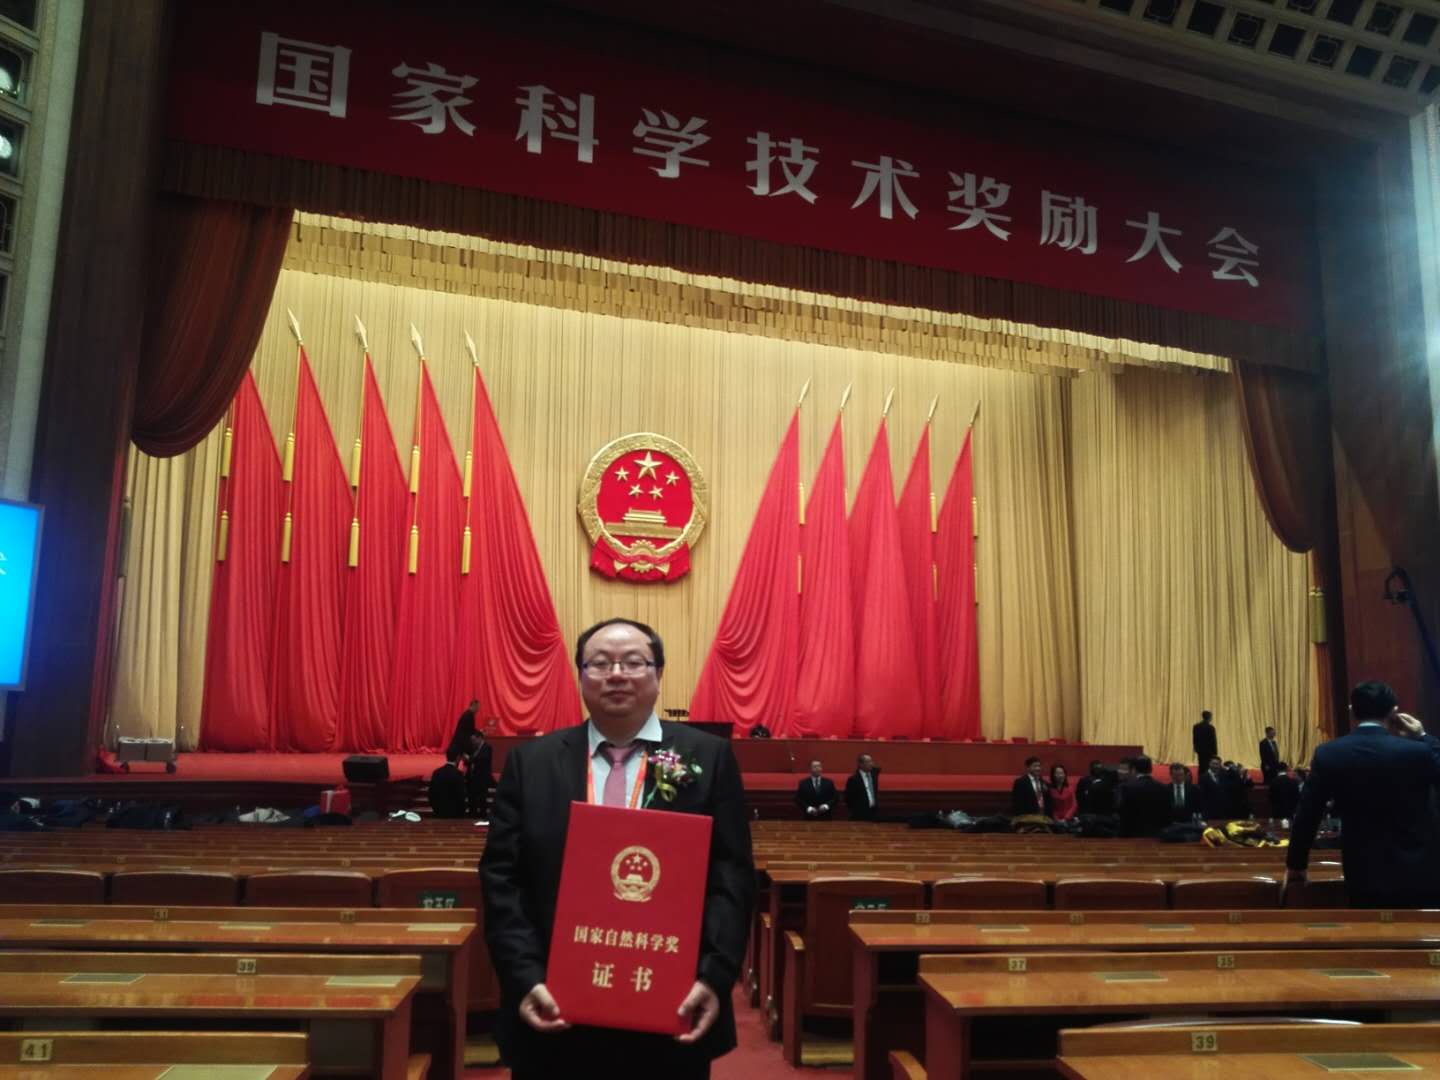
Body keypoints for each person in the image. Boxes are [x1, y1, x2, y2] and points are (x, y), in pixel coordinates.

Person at [478, 618, 754, 1079]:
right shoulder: (532, 763)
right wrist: (525, 977)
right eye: (600, 663)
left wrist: (714, 976)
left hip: (672, 1007)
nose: (617, 674)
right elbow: (502, 878)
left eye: (633, 662)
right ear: (580, 675)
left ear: (658, 673)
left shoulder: (709, 757)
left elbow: (732, 876)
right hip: (554, 1008)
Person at [1286, 681, 1440, 909]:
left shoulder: (1329, 754)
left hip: (1363, 870)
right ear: (1394, 712)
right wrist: (1423, 736)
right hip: (1420, 868)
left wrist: (1297, 863)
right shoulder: (1418, 751)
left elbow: (1308, 814)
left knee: (1370, 926)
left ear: (1352, 711)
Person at [1115, 755, 1171, 837]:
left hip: (1133, 835)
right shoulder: (1163, 788)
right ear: (1151, 769)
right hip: (1157, 835)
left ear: (1134, 769)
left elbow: (1124, 814)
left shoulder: (1127, 788)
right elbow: (1168, 814)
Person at [463, 720, 495, 818]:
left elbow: (483, 759)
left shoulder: (487, 747)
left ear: (480, 738)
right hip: (472, 778)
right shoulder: (473, 748)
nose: (472, 742)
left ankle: (482, 817)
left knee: (482, 800)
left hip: (482, 779)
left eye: (474, 740)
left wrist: (470, 759)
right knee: (472, 800)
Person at [428, 748, 470, 819]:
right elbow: (461, 795)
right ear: (458, 758)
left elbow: (431, 793)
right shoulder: (458, 774)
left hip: (439, 811)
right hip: (455, 813)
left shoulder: (437, 772)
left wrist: (436, 808)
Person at [844, 754, 881, 821]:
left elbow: (877, 768)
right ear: (861, 764)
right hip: (859, 814)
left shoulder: (874, 775)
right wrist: (855, 810)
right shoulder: (853, 779)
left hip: (874, 811)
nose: (871, 764)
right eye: (868, 762)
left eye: (871, 761)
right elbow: (848, 798)